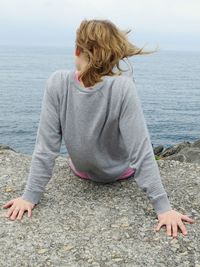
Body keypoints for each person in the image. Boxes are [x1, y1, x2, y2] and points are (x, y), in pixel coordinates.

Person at [2, 19, 195, 238]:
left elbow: (46, 148)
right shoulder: (122, 87)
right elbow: (141, 151)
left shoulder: (59, 82)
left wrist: (29, 197)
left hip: (93, 170)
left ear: (77, 50)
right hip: (117, 171)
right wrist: (163, 210)